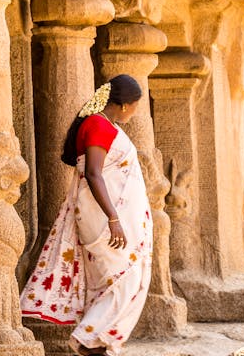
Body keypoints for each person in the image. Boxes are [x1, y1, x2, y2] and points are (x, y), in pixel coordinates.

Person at [20, 75, 152, 356]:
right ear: (126, 104)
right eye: (136, 106)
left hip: (104, 216)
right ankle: (87, 339)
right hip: (103, 218)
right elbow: (94, 173)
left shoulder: (103, 125)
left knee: (108, 281)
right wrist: (114, 219)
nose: (136, 111)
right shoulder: (98, 125)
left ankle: (98, 346)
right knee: (125, 279)